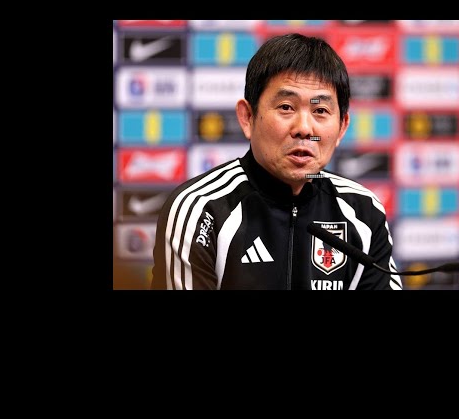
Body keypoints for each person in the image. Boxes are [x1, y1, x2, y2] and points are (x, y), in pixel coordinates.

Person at [152, 33, 401, 290]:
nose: (304, 129)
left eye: (320, 111)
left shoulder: (363, 211)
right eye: (286, 107)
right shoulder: (201, 210)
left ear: (342, 127)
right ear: (248, 117)